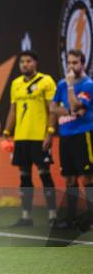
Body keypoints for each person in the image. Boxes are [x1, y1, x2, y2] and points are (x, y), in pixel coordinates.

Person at [3, 50, 57, 226]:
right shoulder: (16, 83)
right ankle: (26, 216)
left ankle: (52, 216)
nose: (24, 64)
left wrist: (50, 132)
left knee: (44, 175)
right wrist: (7, 132)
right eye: (22, 62)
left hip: (39, 137)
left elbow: (53, 109)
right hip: (21, 138)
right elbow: (13, 109)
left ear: (35, 63)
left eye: (28, 61)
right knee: (24, 177)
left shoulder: (46, 81)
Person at [50, 49, 93, 232]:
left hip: (83, 134)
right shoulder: (61, 84)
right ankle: (70, 219)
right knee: (69, 178)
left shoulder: (88, 84)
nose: (71, 66)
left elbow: (76, 105)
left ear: (83, 63)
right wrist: (69, 112)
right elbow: (53, 107)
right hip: (65, 135)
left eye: (75, 62)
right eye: (69, 62)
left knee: (88, 177)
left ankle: (91, 219)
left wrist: (69, 88)